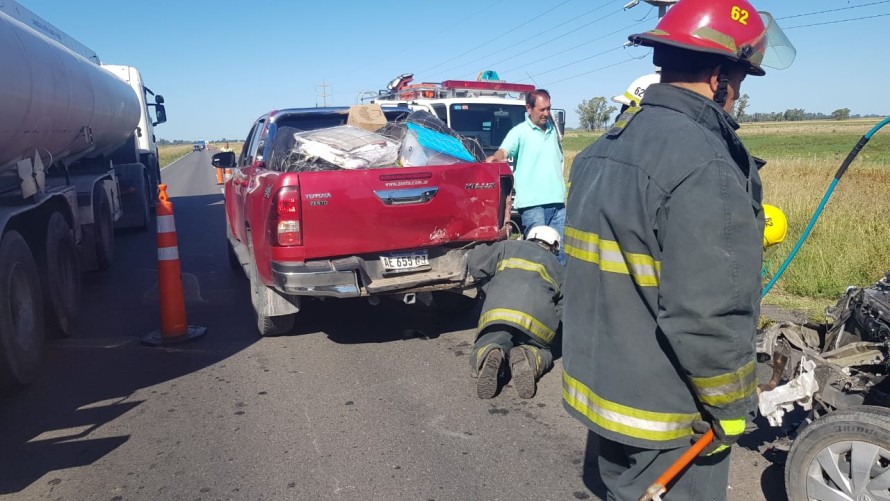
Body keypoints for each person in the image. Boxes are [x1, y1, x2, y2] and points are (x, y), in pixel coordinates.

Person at [560, 0, 796, 498]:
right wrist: (731, 409)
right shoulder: (705, 163)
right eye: (741, 83)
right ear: (719, 78)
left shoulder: (604, 146)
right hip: (669, 419)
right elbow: (708, 312)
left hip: (604, 394)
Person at [468, 226, 564, 399]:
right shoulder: (558, 267)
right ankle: (529, 356)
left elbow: (475, 261)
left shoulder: (507, 246)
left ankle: (489, 354)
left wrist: (489, 288)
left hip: (498, 313)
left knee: (490, 341)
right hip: (536, 324)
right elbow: (564, 308)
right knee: (543, 350)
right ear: (554, 246)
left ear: (530, 237)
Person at [486, 89, 566, 265]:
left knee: (560, 255)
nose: (547, 114)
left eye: (548, 109)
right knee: (537, 255)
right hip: (532, 205)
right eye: (542, 109)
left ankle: (561, 290)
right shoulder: (519, 132)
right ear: (529, 108)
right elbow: (504, 151)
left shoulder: (553, 131)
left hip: (557, 204)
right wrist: (495, 158)